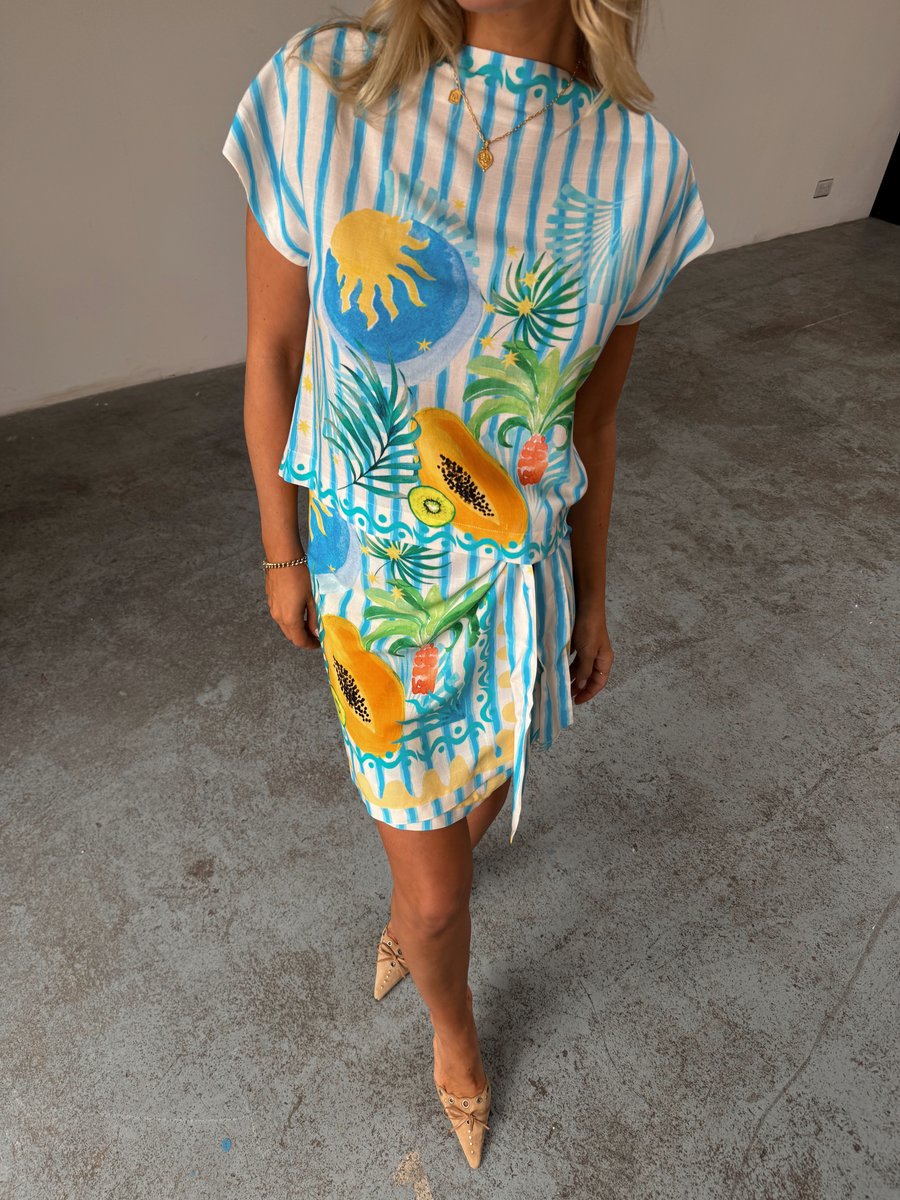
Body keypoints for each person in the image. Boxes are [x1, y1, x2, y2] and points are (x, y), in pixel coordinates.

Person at [222, 0, 714, 1168]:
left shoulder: (641, 171)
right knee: (440, 895)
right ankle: (456, 1034)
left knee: (486, 788)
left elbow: (592, 422)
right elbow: (275, 353)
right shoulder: (323, 91)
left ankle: (421, 895)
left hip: (518, 586)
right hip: (377, 594)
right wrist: (281, 551)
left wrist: (592, 597)